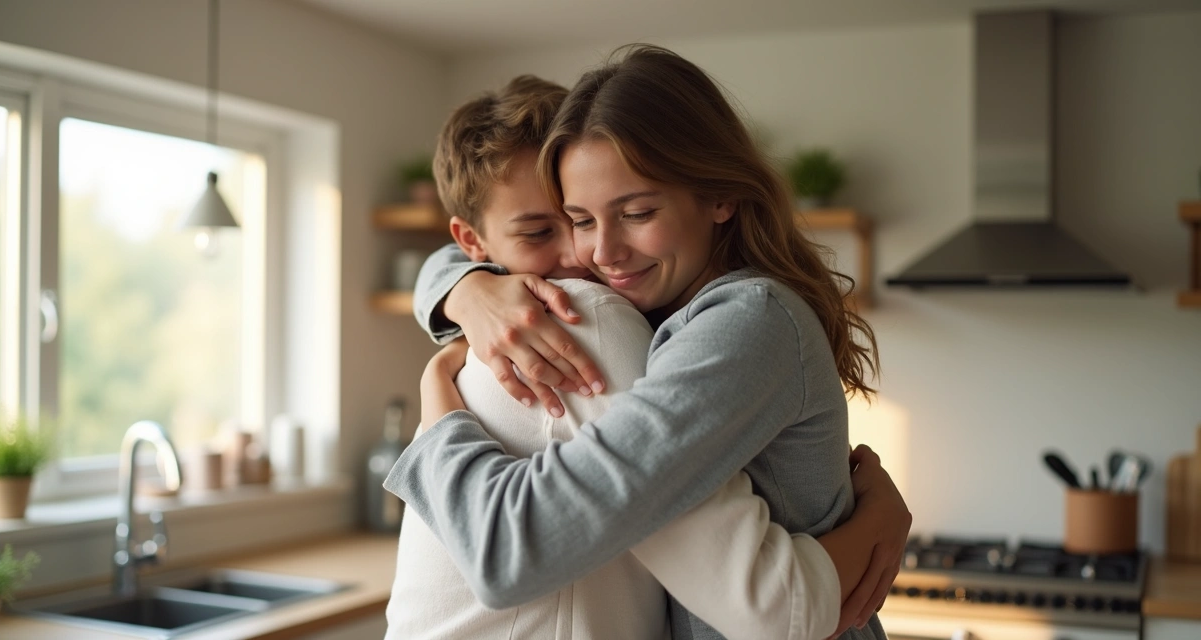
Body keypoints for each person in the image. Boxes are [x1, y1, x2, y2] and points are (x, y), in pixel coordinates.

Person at [388, 49, 909, 640]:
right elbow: (467, 250)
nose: (596, 255)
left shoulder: (737, 319)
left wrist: (438, 417)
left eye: (636, 212)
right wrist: (462, 288)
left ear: (720, 196)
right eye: (580, 218)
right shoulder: (661, 308)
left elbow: (510, 552)